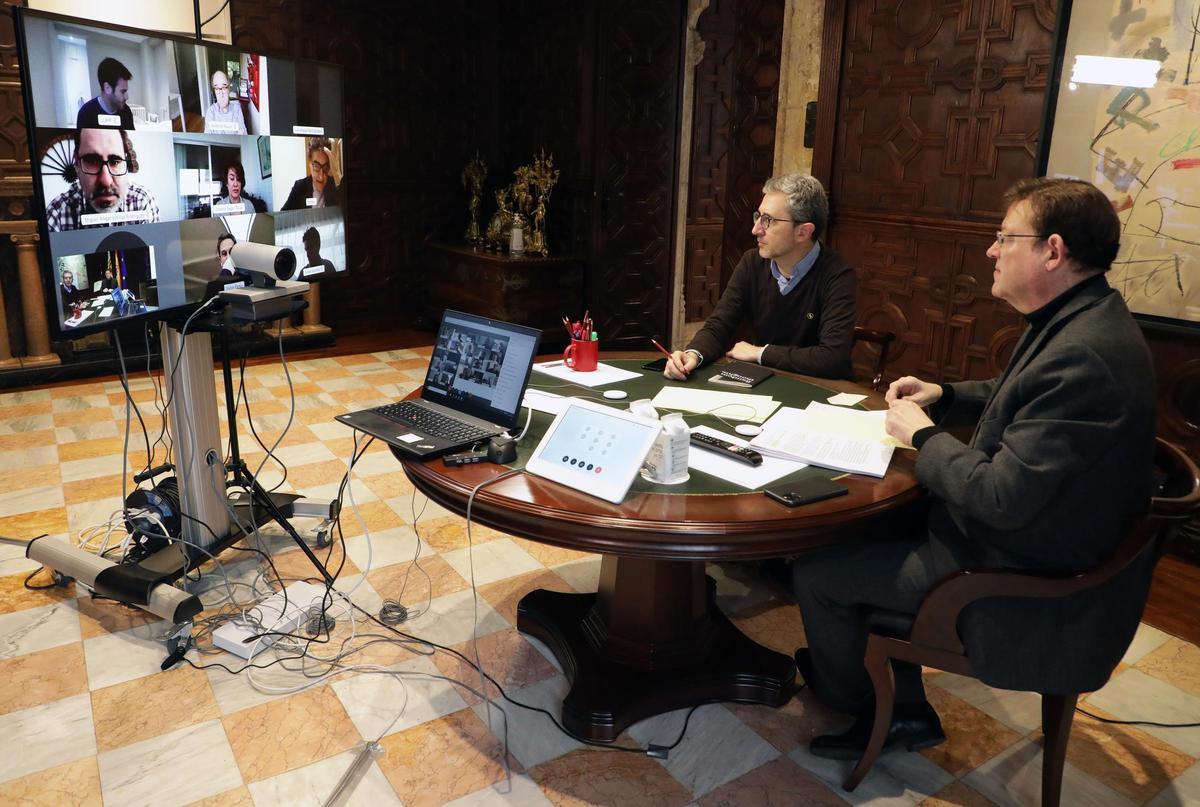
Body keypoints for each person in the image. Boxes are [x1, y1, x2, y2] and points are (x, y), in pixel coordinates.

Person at [790, 178, 1157, 760]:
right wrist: (947, 394)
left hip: (1016, 568)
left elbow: (999, 499)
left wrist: (924, 434)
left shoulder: (1085, 355)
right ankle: (871, 676)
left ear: (1053, 251)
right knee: (856, 528)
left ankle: (875, 707)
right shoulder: (1082, 315)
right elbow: (1020, 394)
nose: (991, 250)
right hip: (1028, 536)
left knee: (817, 572)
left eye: (1005, 237)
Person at [663, 173, 856, 381]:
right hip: (765, 382)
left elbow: (832, 358)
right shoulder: (752, 263)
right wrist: (693, 354)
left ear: (803, 232)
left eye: (768, 221)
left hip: (820, 393)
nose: (756, 229)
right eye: (758, 217)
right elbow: (720, 324)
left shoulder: (838, 276)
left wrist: (759, 353)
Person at [45, 128, 160, 232]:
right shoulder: (57, 213)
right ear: (77, 164)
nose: (106, 181)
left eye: (115, 161)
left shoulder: (142, 201)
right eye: (92, 161)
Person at [76, 57, 135, 130]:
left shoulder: (126, 112)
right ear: (107, 88)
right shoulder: (85, 114)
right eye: (123, 91)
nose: (127, 97)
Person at [282, 143, 339, 210]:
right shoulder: (300, 187)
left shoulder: (335, 184)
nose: (321, 176)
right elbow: (283, 214)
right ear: (309, 164)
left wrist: (337, 174)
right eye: (316, 166)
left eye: (325, 167)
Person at [203, 70, 247, 135]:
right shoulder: (210, 112)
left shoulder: (237, 109)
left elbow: (243, 137)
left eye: (224, 87)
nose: (221, 93)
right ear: (214, 91)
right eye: (217, 88)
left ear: (229, 88)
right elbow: (208, 140)